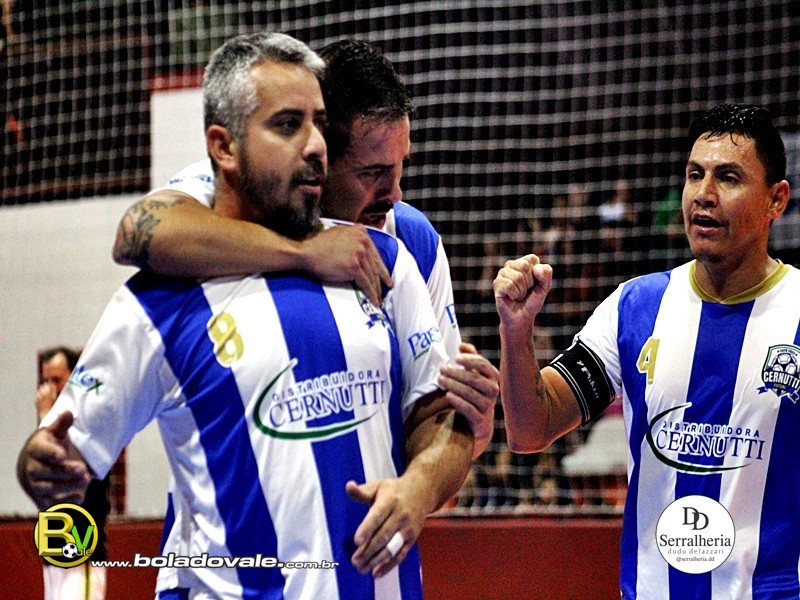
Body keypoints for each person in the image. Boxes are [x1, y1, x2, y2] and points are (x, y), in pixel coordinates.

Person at [18, 32, 474, 600]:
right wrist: (42, 464)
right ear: (225, 148)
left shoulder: (393, 252)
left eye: (317, 123)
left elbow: (441, 420)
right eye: (288, 125)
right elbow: (64, 449)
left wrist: (429, 475)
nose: (313, 143)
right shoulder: (171, 279)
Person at [111, 39, 498, 458]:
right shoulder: (245, 188)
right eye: (371, 173)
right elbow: (137, 233)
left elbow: (442, 434)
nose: (395, 193)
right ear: (319, 153)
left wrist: (470, 426)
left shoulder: (412, 240)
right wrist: (307, 251)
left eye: (399, 167)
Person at [493, 104, 796, 598]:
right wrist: (516, 329)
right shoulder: (634, 307)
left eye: (728, 178)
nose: (704, 194)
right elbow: (530, 430)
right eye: (694, 175)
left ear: (776, 200)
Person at [36, 346, 109, 600]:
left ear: (73, 378)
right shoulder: (49, 424)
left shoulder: (87, 419)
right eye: (46, 381)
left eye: (57, 380)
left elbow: (67, 466)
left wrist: (45, 417)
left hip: (80, 550)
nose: (50, 388)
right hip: (53, 549)